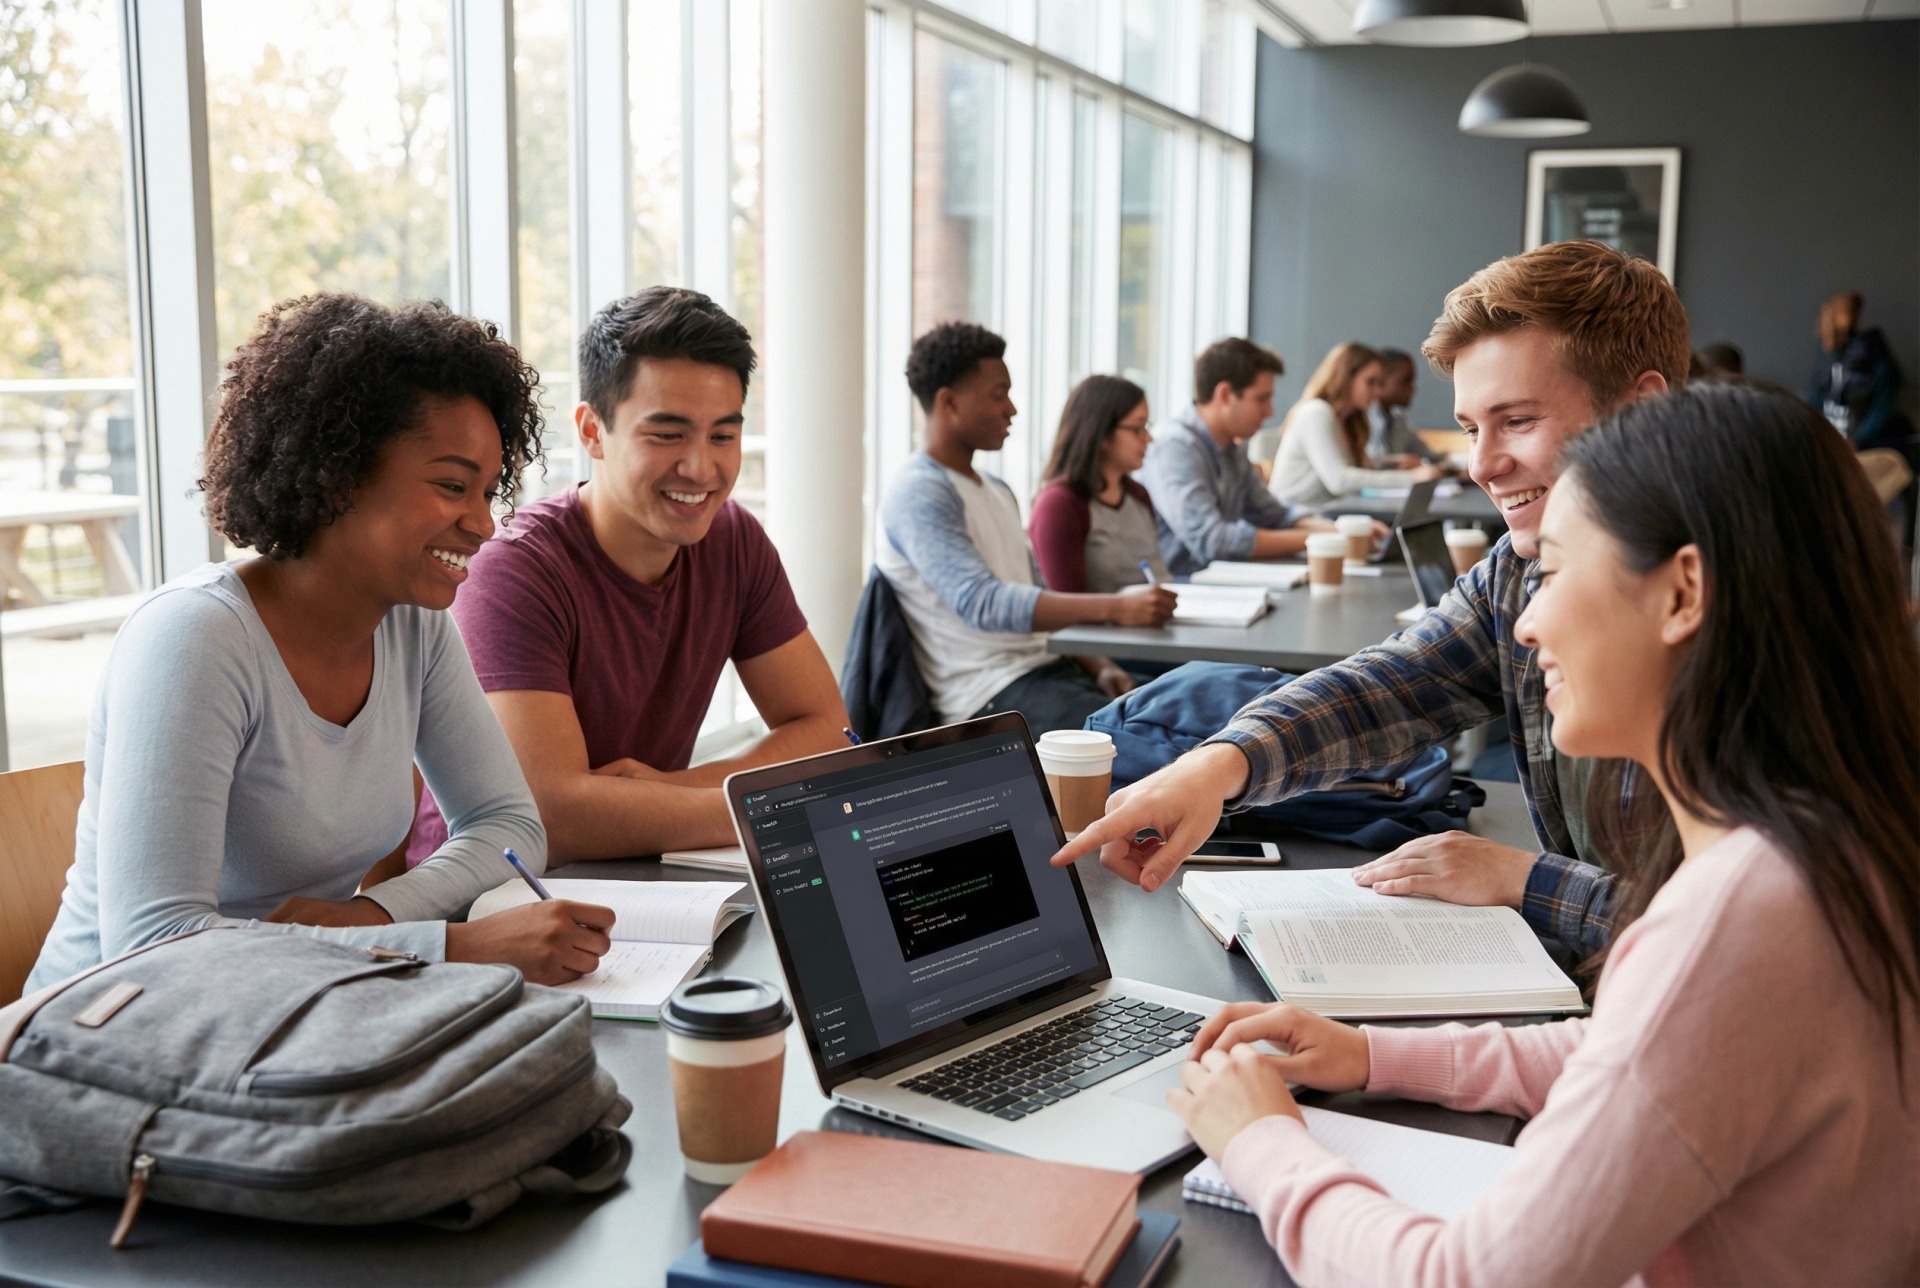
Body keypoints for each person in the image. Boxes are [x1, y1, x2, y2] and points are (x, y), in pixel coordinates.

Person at [1164, 384, 1920, 1287]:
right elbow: (1636, 1056)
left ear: (1684, 593)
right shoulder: (1829, 837)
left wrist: (1263, 1145)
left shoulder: (1743, 916)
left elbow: (1465, 1280)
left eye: (1555, 574)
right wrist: (1372, 1053)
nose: (1526, 623)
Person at [1054, 241, 1692, 962]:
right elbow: (1388, 687)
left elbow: (1745, 938)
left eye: (1517, 421)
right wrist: (1219, 765)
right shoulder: (1519, 573)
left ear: (1643, 409)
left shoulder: (1760, 619)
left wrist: (1527, 879)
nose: (1483, 465)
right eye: (1471, 429)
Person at [26, 295, 611, 994]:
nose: (484, 525)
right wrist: (449, 945)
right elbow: (156, 947)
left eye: (489, 491)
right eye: (454, 485)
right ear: (338, 474)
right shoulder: (194, 639)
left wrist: (369, 916)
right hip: (109, 1041)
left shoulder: (412, 626)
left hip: (296, 1008)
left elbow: (508, 825)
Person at [406, 287, 848, 864]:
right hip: (494, 894)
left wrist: (669, 788)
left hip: (640, 870)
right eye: (667, 435)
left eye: (723, 435)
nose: (701, 467)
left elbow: (826, 731)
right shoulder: (516, 568)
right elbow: (551, 816)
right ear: (592, 431)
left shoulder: (733, 539)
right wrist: (769, 804)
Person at [876, 323, 1176, 733]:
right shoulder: (919, 491)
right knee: (1163, 749)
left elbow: (1038, 595)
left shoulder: (997, 490)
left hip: (1047, 669)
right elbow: (983, 602)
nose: (1012, 409)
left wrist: (1100, 665)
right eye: (999, 395)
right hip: (989, 696)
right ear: (949, 403)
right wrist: (1118, 606)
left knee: (1185, 718)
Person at [1138, 338, 1347, 576]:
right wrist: (1318, 538)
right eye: (1261, 398)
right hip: (1183, 588)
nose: (1270, 412)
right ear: (1225, 395)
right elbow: (1213, 541)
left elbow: (1273, 515)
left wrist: (1338, 530)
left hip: (1225, 583)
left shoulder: (1231, 446)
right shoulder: (1174, 448)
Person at [1028, 375, 1168, 593]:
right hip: (1095, 628)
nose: (1148, 438)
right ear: (1101, 433)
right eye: (1137, 428)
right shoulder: (1059, 505)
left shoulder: (1137, 495)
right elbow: (1067, 606)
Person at [1269, 342, 1446, 509]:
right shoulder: (1316, 412)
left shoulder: (1350, 421)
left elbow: (1354, 469)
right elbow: (1339, 480)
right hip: (1294, 518)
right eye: (1370, 382)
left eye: (1379, 383)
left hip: (1328, 515)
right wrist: (1411, 478)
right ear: (1346, 378)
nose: (1377, 391)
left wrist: (1392, 463)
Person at [1810, 291, 1905, 450]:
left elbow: (1884, 401)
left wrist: (1859, 439)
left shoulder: (1873, 351)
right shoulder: (1829, 352)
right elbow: (1815, 393)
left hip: (1858, 441)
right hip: (1828, 437)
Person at [1367, 347, 1442, 465]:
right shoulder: (1364, 420)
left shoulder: (1398, 421)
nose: (1412, 389)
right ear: (1380, 382)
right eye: (1405, 381)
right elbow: (1372, 462)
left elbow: (1427, 454)